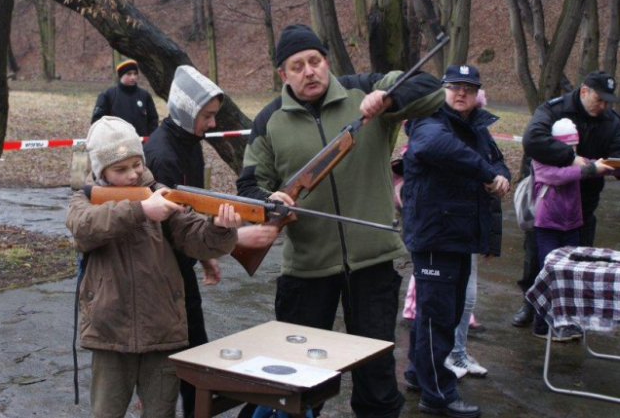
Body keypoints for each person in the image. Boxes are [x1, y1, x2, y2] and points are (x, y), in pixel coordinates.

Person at [237, 23, 444, 417]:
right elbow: (249, 186)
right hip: (307, 268)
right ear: (283, 74)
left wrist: (389, 96)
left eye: (315, 61)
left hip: (373, 262)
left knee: (377, 379)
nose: (309, 71)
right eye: (297, 66)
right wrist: (271, 201)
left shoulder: (364, 89)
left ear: (326, 61)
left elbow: (432, 93)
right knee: (294, 375)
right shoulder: (269, 121)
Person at [66, 116, 241, 418]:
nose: (133, 174)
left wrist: (220, 228)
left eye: (137, 164)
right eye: (120, 169)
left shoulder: (161, 194)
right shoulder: (85, 199)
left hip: (163, 331)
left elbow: (196, 237)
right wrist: (140, 210)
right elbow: (84, 228)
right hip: (110, 333)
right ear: (100, 171)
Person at [144, 65, 278, 418]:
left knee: (196, 362)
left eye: (215, 115)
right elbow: (170, 228)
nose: (213, 124)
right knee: (178, 368)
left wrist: (206, 257)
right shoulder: (162, 155)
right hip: (161, 280)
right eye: (207, 115)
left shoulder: (188, 143)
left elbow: (189, 208)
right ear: (187, 112)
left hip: (181, 270)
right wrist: (234, 239)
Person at [402, 64, 510, 418]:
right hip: (435, 235)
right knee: (437, 318)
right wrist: (486, 172)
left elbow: (498, 164)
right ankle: (438, 395)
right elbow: (438, 147)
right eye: (453, 86)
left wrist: (501, 178)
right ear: (442, 90)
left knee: (438, 316)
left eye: (468, 87)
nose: (460, 93)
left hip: (461, 237)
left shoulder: (477, 127)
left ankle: (420, 374)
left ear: (477, 92)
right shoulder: (427, 119)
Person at [514, 70, 620, 327]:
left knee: (580, 261)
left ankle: (572, 315)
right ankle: (531, 303)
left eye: (608, 101)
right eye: (599, 99)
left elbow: (617, 157)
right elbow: (533, 140)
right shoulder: (554, 110)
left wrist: (608, 166)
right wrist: (570, 158)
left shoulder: (612, 121)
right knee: (538, 259)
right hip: (547, 201)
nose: (603, 105)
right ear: (584, 91)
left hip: (584, 203)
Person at [530, 118, 615, 341]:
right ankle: (541, 325)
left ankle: (565, 324)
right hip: (547, 226)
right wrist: (587, 168)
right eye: (568, 147)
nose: (572, 152)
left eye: (575, 147)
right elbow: (557, 176)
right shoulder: (541, 159)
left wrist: (613, 167)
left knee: (570, 278)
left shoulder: (576, 160)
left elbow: (595, 167)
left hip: (572, 225)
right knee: (548, 274)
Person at [90, 59, 159, 136]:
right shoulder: (108, 95)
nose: (133, 77)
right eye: (129, 74)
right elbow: (97, 121)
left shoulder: (145, 95)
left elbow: (153, 120)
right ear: (121, 75)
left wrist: (150, 139)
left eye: (135, 74)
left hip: (141, 144)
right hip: (116, 143)